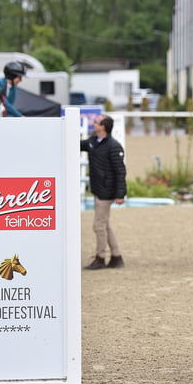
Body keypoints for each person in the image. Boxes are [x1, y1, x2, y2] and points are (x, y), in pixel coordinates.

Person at [80, 114, 127, 269]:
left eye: (96, 122)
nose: (94, 123)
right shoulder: (93, 142)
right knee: (105, 224)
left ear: (103, 127)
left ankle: (100, 257)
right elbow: (78, 144)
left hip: (106, 191)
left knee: (98, 225)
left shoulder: (113, 146)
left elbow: (120, 171)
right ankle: (116, 256)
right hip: (98, 188)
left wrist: (120, 194)